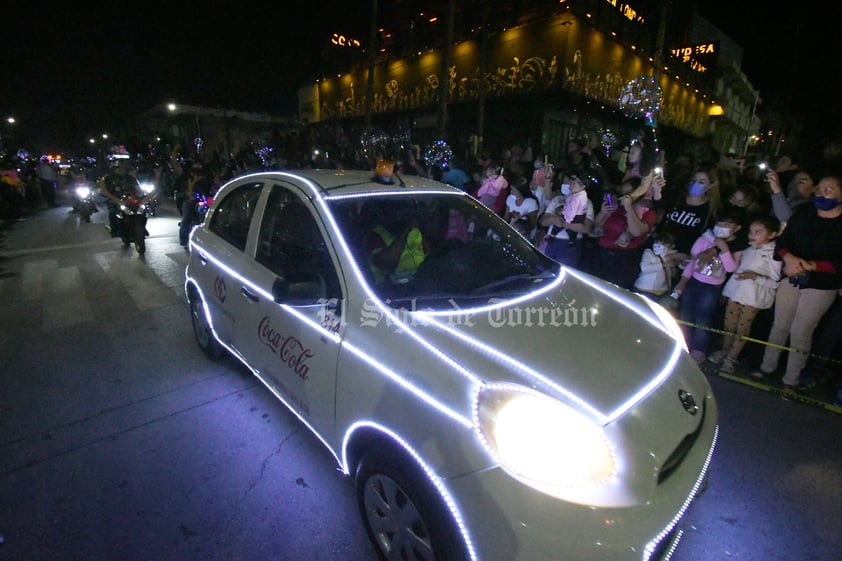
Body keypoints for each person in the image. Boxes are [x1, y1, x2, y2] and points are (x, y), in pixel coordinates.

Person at [751, 171, 842, 393]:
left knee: (802, 330)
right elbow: (785, 239)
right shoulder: (804, 212)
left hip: (822, 284)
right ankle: (766, 367)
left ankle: (790, 380)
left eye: (828, 190)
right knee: (779, 325)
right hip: (791, 274)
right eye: (819, 188)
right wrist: (789, 258)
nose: (822, 193)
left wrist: (811, 265)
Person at [707, 215, 782, 373]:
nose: (752, 235)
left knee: (743, 327)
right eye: (751, 232)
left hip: (752, 298)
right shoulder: (747, 248)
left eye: (758, 232)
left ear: (772, 234)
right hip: (736, 293)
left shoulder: (773, 254)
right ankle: (724, 350)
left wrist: (754, 277)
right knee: (729, 324)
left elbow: (776, 281)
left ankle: (732, 357)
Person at [667, 212, 741, 363]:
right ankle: (682, 345)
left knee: (704, 318)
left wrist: (724, 249)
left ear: (737, 228)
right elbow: (693, 261)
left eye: (727, 225)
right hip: (694, 282)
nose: (723, 228)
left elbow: (731, 267)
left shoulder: (737, 246)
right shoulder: (705, 239)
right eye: (720, 224)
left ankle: (698, 350)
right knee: (686, 314)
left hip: (712, 288)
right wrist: (683, 282)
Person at [587, 176, 659, 289]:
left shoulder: (647, 213)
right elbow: (596, 226)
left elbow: (637, 231)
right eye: (623, 192)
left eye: (628, 193)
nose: (624, 196)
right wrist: (603, 212)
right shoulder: (616, 207)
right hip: (601, 255)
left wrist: (628, 207)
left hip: (622, 261)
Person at [658, 162, 721, 258]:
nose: (696, 184)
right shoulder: (677, 198)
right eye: (694, 180)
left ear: (710, 185)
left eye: (702, 182)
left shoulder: (710, 209)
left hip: (686, 257)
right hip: (661, 250)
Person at [538, 174, 594, 268]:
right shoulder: (557, 199)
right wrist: (553, 219)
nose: (569, 185)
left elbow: (587, 228)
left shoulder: (586, 202)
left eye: (571, 182)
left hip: (569, 245)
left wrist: (566, 224)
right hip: (551, 243)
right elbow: (543, 221)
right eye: (566, 182)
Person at [98, 160, 142, 237]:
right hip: (115, 201)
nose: (121, 170)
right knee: (112, 212)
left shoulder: (131, 178)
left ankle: (141, 227)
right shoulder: (108, 179)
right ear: (114, 169)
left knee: (143, 210)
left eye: (123, 169)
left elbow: (138, 189)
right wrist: (114, 198)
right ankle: (114, 230)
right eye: (118, 168)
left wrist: (141, 196)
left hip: (130, 201)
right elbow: (103, 190)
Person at [634, 231, 680, 300]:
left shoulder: (672, 255)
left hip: (660, 292)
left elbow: (681, 265)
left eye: (664, 243)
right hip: (642, 288)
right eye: (657, 242)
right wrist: (664, 264)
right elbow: (644, 268)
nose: (659, 245)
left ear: (672, 246)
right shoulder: (648, 253)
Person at [179, 163, 215, 246]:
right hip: (190, 201)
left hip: (202, 201)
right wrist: (194, 181)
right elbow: (189, 192)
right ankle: (183, 239)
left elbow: (209, 192)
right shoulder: (189, 180)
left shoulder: (206, 180)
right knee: (186, 219)